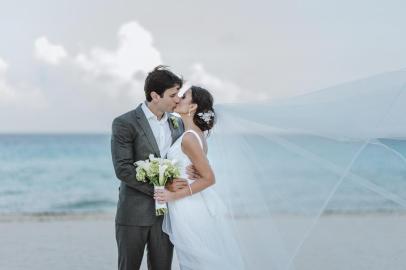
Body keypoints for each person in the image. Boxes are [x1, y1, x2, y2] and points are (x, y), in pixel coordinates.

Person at [154, 86, 245, 270]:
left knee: (195, 261)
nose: (178, 99)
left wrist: (172, 196)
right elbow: (200, 171)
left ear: (193, 106)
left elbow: (209, 178)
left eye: (184, 96)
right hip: (194, 202)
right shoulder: (198, 135)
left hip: (188, 205)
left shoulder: (189, 138)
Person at [111, 65, 188, 270]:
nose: (178, 99)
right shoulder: (124, 123)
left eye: (179, 94)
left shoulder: (177, 124)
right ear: (155, 95)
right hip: (133, 214)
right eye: (173, 95)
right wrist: (160, 190)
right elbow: (123, 169)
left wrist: (192, 174)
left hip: (167, 217)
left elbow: (182, 159)